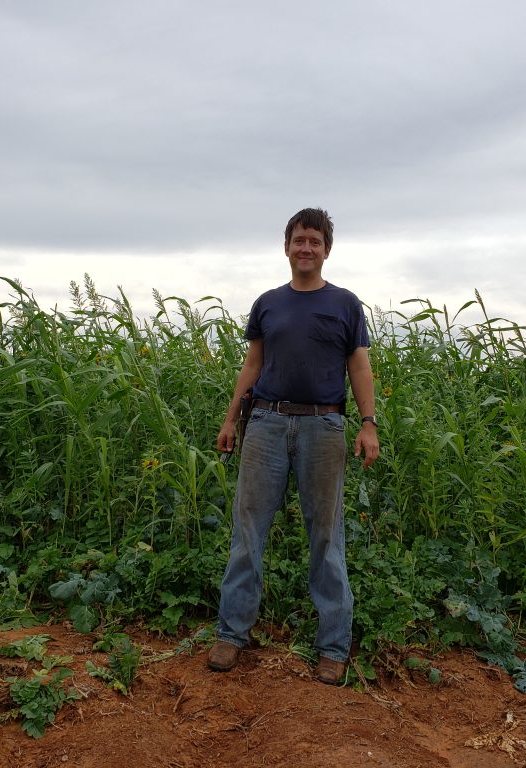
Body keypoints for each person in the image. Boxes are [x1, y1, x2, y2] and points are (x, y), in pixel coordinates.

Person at [208, 207, 380, 685]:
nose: (307, 248)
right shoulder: (267, 303)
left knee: (326, 537)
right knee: (248, 531)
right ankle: (231, 634)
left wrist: (368, 424)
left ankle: (332, 647)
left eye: (315, 241)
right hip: (264, 423)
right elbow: (252, 365)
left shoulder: (345, 304)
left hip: (323, 428)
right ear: (286, 247)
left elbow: (359, 368)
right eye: (299, 240)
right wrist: (230, 419)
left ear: (326, 250)